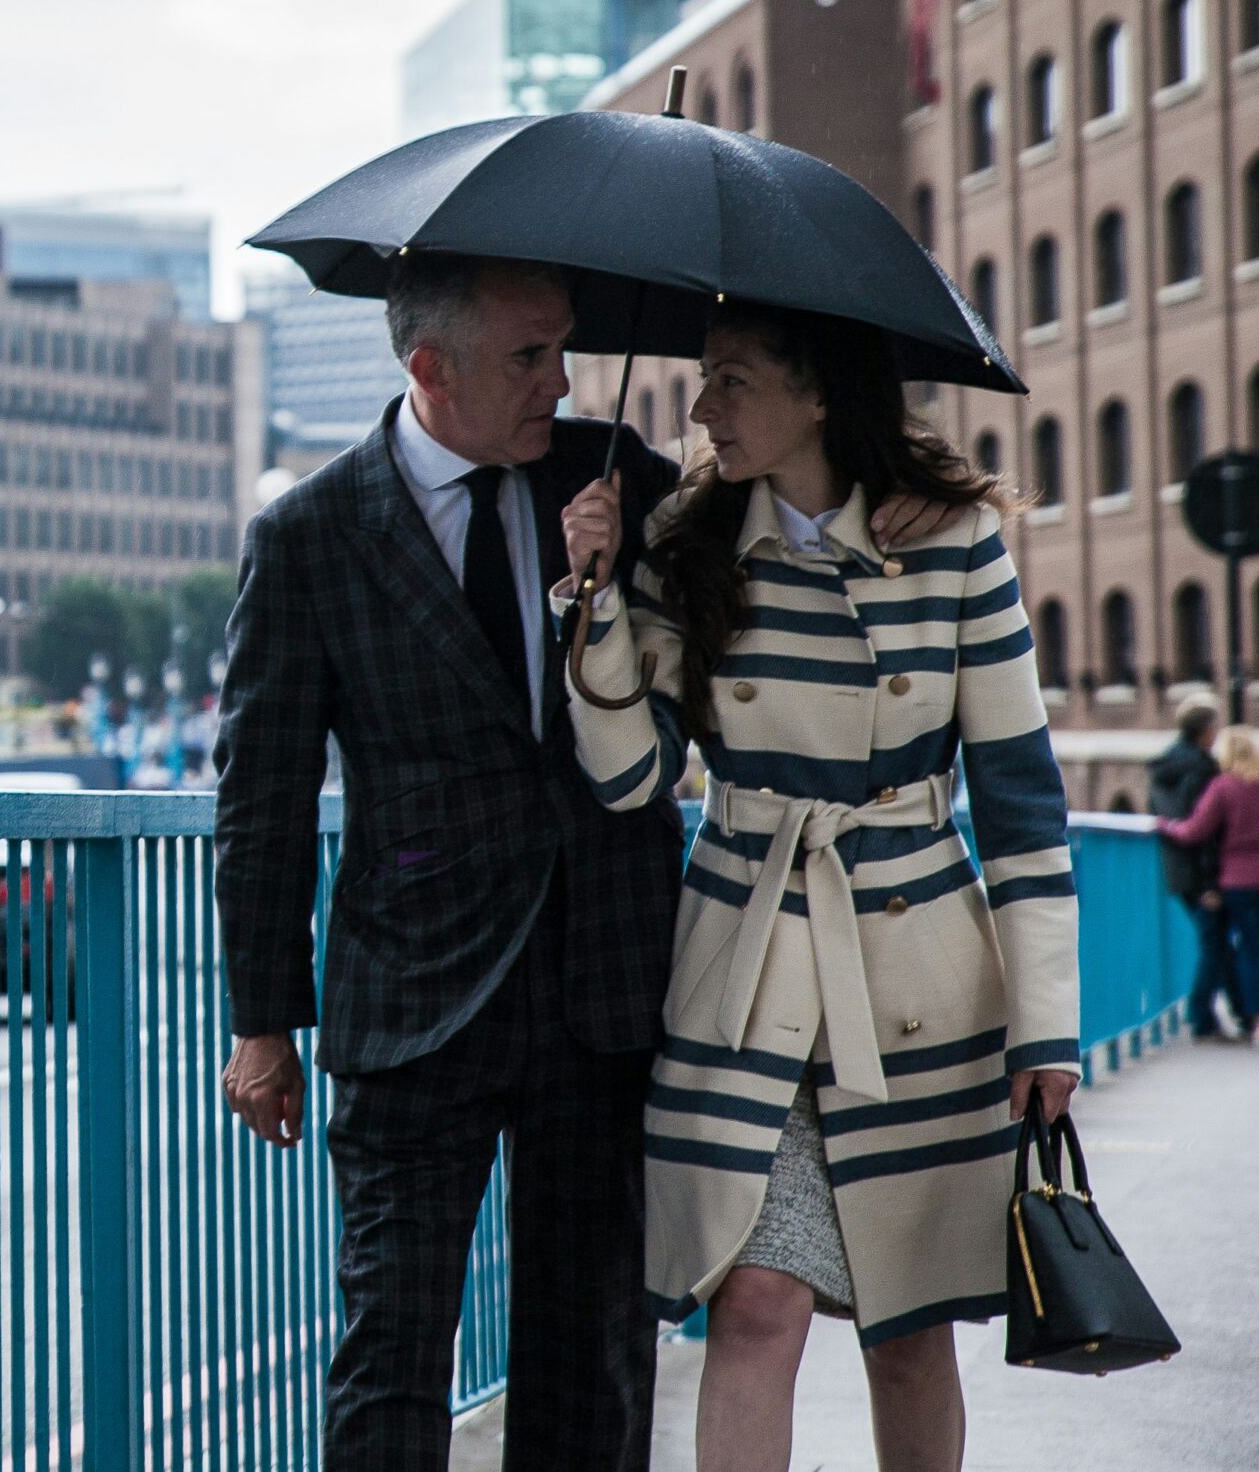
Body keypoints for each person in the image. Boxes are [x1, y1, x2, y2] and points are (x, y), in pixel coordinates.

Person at [212, 256, 950, 1471]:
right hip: (410, 1002)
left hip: (608, 988)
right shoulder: (306, 535)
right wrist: (260, 1024)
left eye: (563, 351)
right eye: (526, 358)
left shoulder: (633, 482)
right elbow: (263, 799)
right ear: (427, 369)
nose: (559, 381)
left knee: (588, 1356)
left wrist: (902, 500)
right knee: (389, 1351)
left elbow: (793, 523)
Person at [560, 301, 1077, 1472]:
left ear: (818, 395)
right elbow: (632, 776)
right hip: (741, 973)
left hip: (916, 982)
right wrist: (590, 603)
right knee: (751, 1304)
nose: (701, 409)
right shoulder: (687, 541)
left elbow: (1020, 797)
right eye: (703, 379)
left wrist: (1046, 1033)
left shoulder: (950, 544)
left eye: (732, 381)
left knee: (908, 1327)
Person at [1157, 727, 1259, 1047]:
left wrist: (1165, 825)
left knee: (1252, 948)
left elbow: (1194, 831)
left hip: (1240, 882)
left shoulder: (1224, 788)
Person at [1148, 698, 1240, 1038]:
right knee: (1215, 943)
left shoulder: (1164, 766)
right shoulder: (1202, 768)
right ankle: (1201, 1016)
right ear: (1205, 731)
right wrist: (1209, 883)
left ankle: (1242, 1011)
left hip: (1177, 868)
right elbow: (1205, 830)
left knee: (1217, 942)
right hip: (1202, 874)